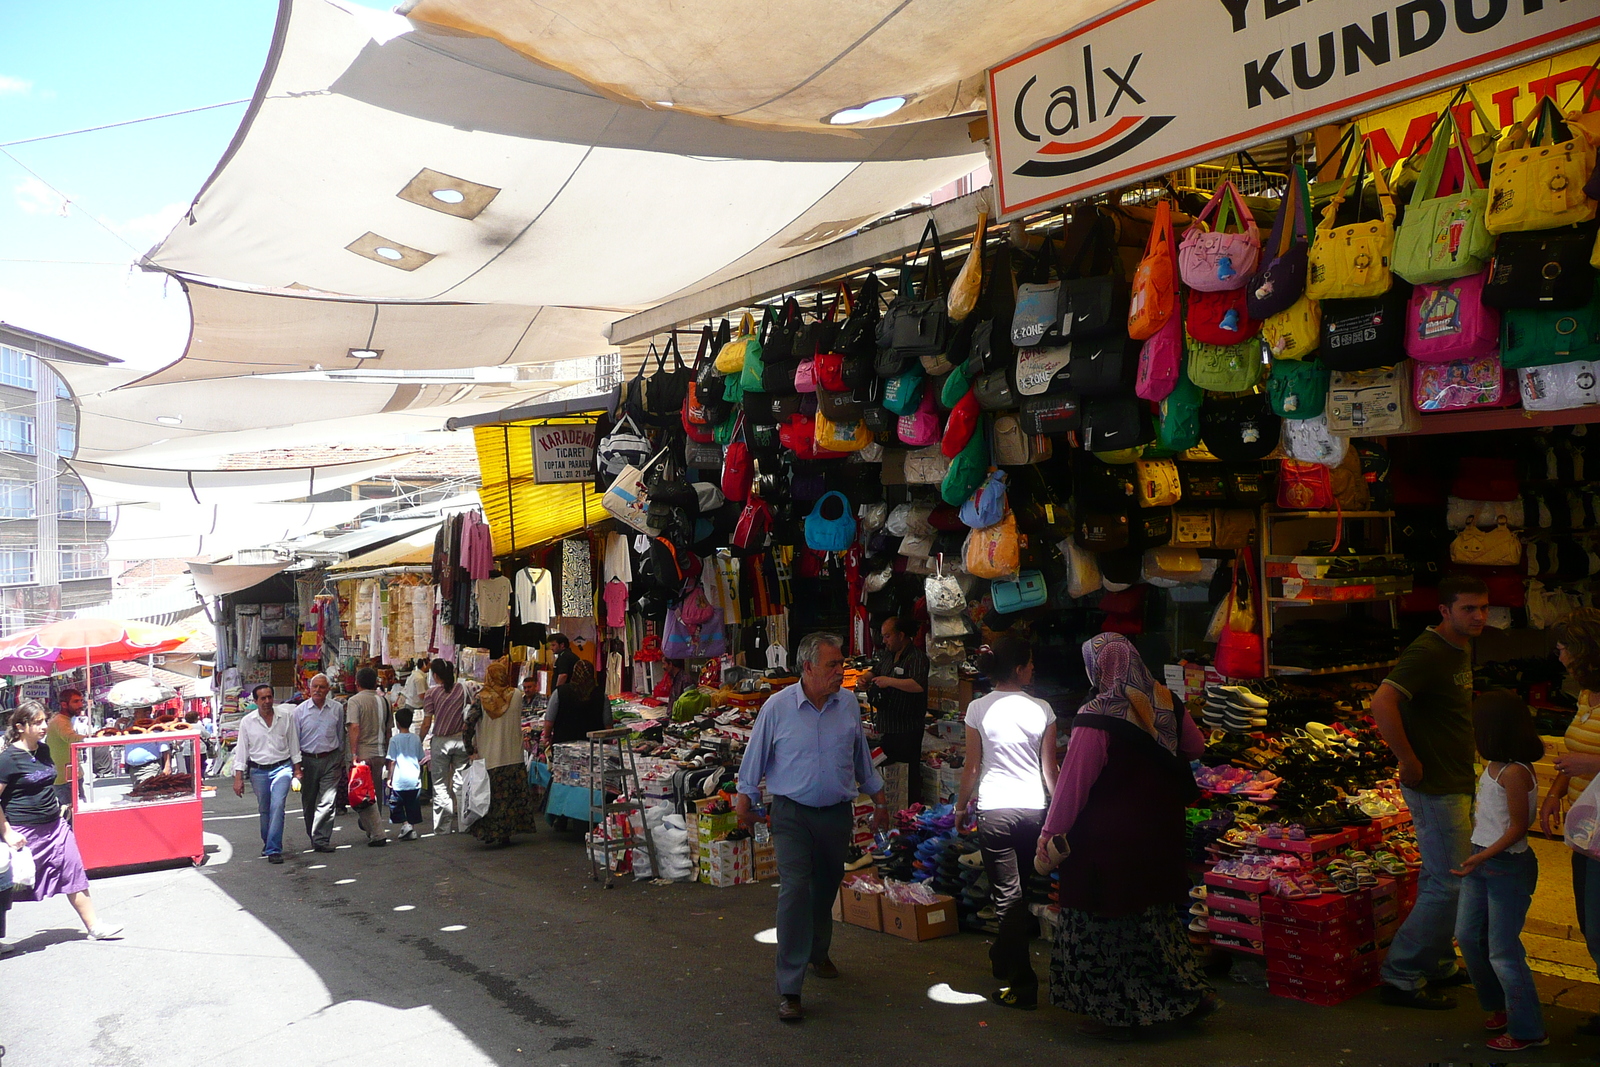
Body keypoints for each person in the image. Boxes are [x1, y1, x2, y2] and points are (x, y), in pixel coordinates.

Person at [1038, 633, 1215, 1038]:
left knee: (1110, 924)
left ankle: (1126, 1013)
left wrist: (1050, 834)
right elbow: (1196, 746)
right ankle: (1178, 997)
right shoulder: (1165, 702)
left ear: (1098, 667)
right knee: (1155, 920)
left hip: (1107, 845)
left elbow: (1072, 787)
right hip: (1158, 836)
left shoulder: (1096, 715)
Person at [736, 632, 889, 1023]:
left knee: (824, 887)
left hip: (837, 813)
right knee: (795, 891)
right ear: (807, 668)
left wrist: (879, 798)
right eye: (832, 665)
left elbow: (860, 759)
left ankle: (818, 951)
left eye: (842, 664)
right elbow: (754, 759)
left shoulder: (849, 705)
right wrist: (744, 800)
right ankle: (790, 986)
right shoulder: (777, 707)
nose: (841, 672)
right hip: (792, 815)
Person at [1372, 575, 1489, 1008]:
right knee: (1450, 883)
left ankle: (1438, 962)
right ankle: (1401, 975)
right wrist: (1407, 760)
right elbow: (1382, 701)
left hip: (1457, 778)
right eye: (1468, 609)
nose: (1478, 616)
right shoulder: (1427, 652)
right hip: (1435, 784)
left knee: (1442, 878)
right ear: (1444, 611)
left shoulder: (1460, 645)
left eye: (1483, 608)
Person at [954, 634, 1058, 1010]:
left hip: (995, 810)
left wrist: (960, 808)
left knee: (1008, 898)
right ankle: (1004, 959)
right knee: (1018, 895)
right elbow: (1051, 771)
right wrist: (1059, 813)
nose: (1033, 669)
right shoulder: (1042, 709)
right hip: (1032, 809)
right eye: (1029, 663)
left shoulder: (979, 709)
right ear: (1017, 668)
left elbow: (972, 766)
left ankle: (1022, 982)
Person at [1452, 689, 1547, 1052]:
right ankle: (1499, 1007)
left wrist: (1481, 856)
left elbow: (1518, 827)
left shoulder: (1515, 772)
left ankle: (1529, 1029)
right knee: (1469, 935)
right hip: (1483, 858)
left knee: (1503, 950)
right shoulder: (1493, 767)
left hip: (1506, 865)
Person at [0, 702, 122, 940]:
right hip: (23, 831)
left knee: (73, 868)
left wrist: (57, 806)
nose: (44, 726)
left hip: (55, 826)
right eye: (37, 723)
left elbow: (46, 783)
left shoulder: (42, 751)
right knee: (9, 886)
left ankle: (94, 927)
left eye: (44, 721)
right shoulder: (8, 759)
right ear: (20, 726)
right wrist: (7, 832)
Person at [1543, 608, 1600, 1036]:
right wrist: (1556, 789)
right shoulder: (1586, 694)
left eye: (1564, 649)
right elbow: (1573, 749)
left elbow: (1586, 756)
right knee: (1589, 921)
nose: (1559, 657)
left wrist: (1591, 762)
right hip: (1588, 831)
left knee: (1598, 926)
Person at [468, 658, 539, 847]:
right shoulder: (516, 695)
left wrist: (469, 748)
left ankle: (491, 832)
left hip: (490, 756)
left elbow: (469, 724)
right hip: (513, 755)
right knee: (510, 799)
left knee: (491, 797)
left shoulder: (481, 698)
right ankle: (507, 832)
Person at [860, 615, 929, 806]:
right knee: (890, 770)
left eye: (888, 636)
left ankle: (911, 809)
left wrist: (889, 681)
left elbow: (918, 685)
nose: (884, 641)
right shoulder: (888, 654)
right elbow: (875, 669)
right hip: (887, 724)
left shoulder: (917, 658)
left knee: (908, 772)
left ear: (901, 635)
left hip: (907, 726)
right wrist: (866, 678)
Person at [233, 684, 302, 863]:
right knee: (265, 810)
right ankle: (268, 842)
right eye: (262, 698)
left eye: (269, 697)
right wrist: (238, 778)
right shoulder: (247, 722)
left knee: (278, 806)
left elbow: (294, 744)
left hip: (282, 768)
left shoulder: (286, 717)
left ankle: (273, 849)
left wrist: (297, 769)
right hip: (258, 771)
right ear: (255, 701)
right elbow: (241, 751)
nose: (267, 701)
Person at [292, 674, 345, 853]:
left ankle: (322, 839)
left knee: (327, 801)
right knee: (309, 801)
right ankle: (313, 835)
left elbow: (340, 735)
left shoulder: (337, 709)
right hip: (307, 760)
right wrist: (297, 767)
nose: (318, 690)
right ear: (309, 688)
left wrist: (340, 759)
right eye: (315, 686)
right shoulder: (299, 711)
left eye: (322, 687)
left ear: (328, 690)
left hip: (331, 759)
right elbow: (295, 741)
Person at [419, 660, 471, 834]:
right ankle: (466, 823)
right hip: (460, 740)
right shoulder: (463, 690)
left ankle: (443, 826)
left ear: (435, 675)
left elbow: (426, 722)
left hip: (441, 741)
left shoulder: (431, 693)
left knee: (440, 784)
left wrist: (419, 740)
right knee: (461, 782)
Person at [345, 667, 392, 848]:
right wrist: (389, 754)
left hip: (364, 754)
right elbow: (388, 730)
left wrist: (353, 753)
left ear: (357, 683)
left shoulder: (354, 701)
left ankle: (377, 833)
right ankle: (373, 827)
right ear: (375, 683)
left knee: (363, 794)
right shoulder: (385, 701)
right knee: (376, 793)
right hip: (380, 752)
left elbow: (354, 727)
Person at [541, 659, 608, 746]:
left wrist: (547, 736)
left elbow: (549, 720)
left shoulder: (559, 692)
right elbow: (608, 724)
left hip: (563, 743)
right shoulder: (601, 695)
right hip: (594, 745)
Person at [386, 707, 425, 840]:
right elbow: (420, 757)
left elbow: (392, 761)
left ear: (397, 723)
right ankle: (411, 828)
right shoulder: (416, 739)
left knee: (396, 805)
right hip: (414, 778)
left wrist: (389, 777)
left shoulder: (394, 740)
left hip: (399, 779)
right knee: (412, 805)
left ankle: (405, 824)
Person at [46, 689, 85, 808]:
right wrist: (91, 738)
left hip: (71, 776)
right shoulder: (60, 721)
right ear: (64, 704)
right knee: (72, 816)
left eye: (81, 701)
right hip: (65, 780)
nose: (80, 705)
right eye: (76, 701)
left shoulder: (64, 720)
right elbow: (70, 738)